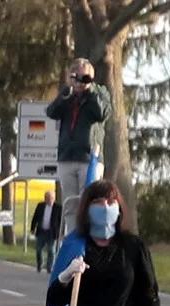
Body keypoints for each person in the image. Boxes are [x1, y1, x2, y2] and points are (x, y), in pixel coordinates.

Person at [46, 58, 111, 209]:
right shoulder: (67, 95)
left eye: (85, 77)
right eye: (77, 77)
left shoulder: (100, 93)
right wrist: (66, 91)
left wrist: (91, 90)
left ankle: (86, 233)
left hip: (90, 158)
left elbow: (101, 113)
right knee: (70, 205)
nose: (81, 82)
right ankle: (73, 232)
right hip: (67, 157)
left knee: (89, 203)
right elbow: (51, 112)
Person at [31, 190, 61, 273]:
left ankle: (49, 267)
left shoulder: (58, 207)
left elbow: (61, 221)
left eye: (50, 198)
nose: (48, 200)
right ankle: (39, 264)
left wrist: (61, 232)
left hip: (52, 233)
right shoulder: (40, 206)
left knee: (51, 250)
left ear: (54, 198)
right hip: (41, 231)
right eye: (46, 198)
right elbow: (35, 217)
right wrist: (33, 228)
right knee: (38, 249)